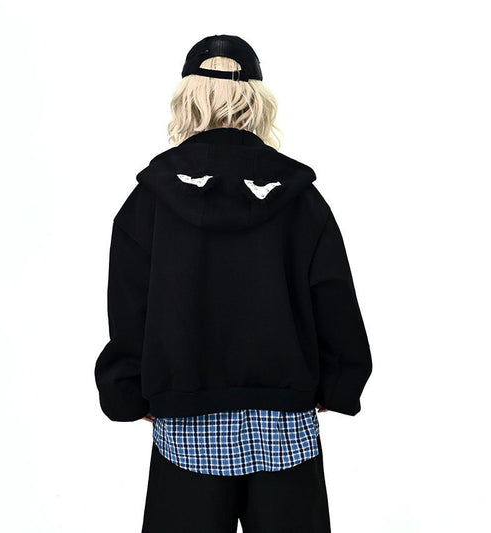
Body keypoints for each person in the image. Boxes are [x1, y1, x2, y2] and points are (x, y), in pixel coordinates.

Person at [94, 34, 373, 533]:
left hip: (186, 427)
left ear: (188, 98)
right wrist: (340, 381)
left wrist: (128, 391)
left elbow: (130, 307)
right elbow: (332, 294)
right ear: (256, 100)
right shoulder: (300, 199)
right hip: (285, 425)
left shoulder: (150, 200)